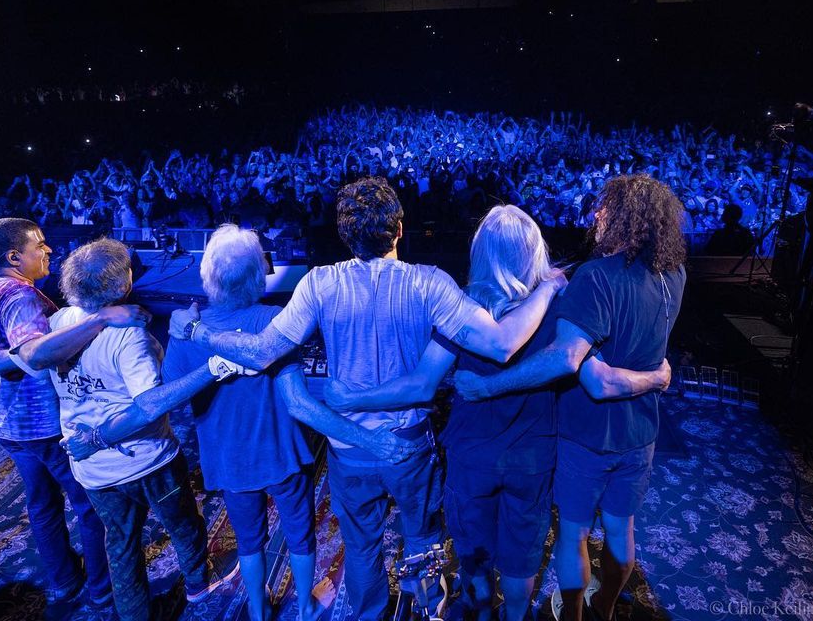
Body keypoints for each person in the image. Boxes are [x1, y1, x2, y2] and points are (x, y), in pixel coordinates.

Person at [168, 177, 564, 621]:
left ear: (345, 235)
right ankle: (428, 613)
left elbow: (261, 352)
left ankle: (370, 614)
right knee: (422, 541)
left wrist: (198, 331)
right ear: (399, 229)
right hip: (409, 445)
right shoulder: (430, 283)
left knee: (361, 548)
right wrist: (547, 287)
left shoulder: (319, 284)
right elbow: (502, 344)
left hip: (349, 447)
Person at [324, 205, 668, 621]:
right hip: (532, 456)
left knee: (474, 553)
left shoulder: (462, 308)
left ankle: (483, 614)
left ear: (481, 253)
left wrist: (352, 397)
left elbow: (423, 382)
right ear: (534, 250)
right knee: (522, 555)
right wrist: (655, 374)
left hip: (472, 454)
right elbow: (590, 372)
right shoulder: (559, 308)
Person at [453, 175, 686, 621]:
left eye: (606, 207)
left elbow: (585, 373)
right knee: (621, 532)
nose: (596, 214)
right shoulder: (674, 274)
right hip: (641, 431)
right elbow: (647, 347)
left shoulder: (596, 277)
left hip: (588, 433)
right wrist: (656, 378)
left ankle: (575, 614)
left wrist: (489, 386)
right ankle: (606, 607)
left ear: (626, 218)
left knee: (573, 535)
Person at [162, 224, 362, 621]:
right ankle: (305, 606)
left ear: (208, 275)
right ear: (259, 273)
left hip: (229, 457)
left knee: (249, 540)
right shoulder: (275, 320)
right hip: (281, 451)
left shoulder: (186, 328)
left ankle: (257, 609)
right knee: (300, 532)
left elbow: (172, 393)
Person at [0, 218, 149, 607]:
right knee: (89, 506)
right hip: (42, 423)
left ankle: (63, 582)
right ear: (14, 256)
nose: (49, 251)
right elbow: (35, 357)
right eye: (39, 245)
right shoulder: (20, 298)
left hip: (5, 422)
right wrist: (101, 319)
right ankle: (102, 588)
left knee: (41, 504)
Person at [43, 238, 240, 620]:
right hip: (148, 461)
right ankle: (198, 583)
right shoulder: (128, 336)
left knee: (120, 545)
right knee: (183, 524)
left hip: (94, 470)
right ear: (122, 284)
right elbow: (148, 407)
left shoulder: (59, 323)